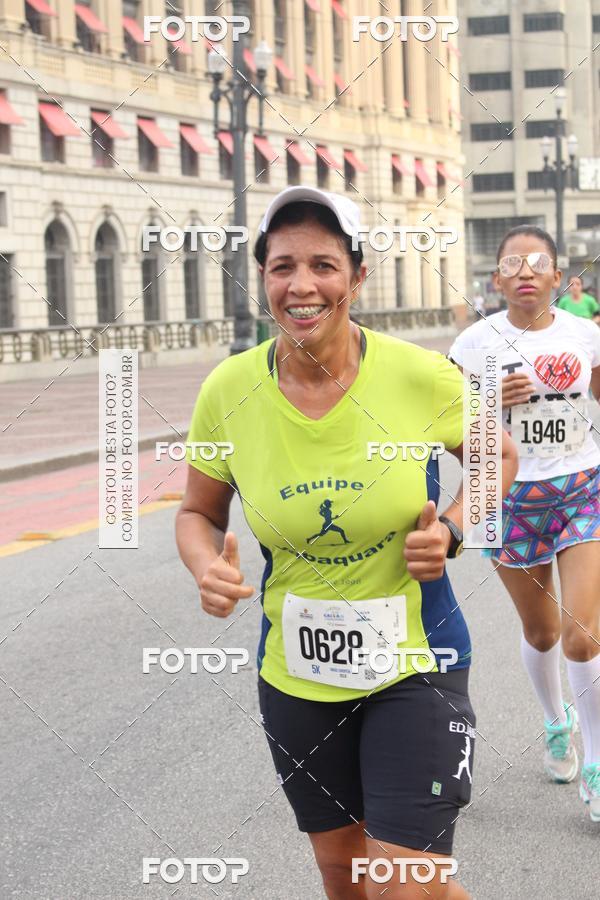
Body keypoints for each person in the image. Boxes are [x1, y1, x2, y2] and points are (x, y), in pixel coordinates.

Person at [175, 185, 518, 898]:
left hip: (417, 664)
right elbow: (198, 512)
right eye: (282, 266)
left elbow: (499, 456)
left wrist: (455, 529)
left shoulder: (419, 375)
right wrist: (207, 564)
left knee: (403, 881)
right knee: (346, 877)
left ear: (358, 276)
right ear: (263, 278)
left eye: (324, 265)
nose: (302, 285)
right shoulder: (227, 389)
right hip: (297, 678)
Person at [449, 226, 600, 823]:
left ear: (558, 277)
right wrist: (487, 400)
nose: (526, 271)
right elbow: (450, 427)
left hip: (583, 487)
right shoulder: (473, 343)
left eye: (539, 262)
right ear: (497, 279)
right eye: (513, 262)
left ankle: (595, 758)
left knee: (582, 637)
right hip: (510, 497)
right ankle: (555, 721)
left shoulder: (585, 335)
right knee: (540, 634)